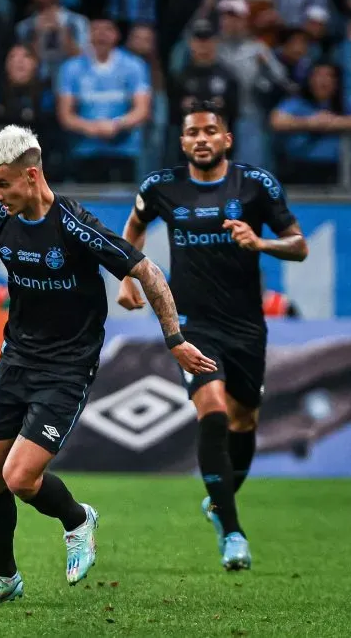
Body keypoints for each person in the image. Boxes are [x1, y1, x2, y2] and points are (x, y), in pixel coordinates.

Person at [0, 125, 215, 604]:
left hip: (69, 365)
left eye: (3, 184)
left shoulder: (74, 225)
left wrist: (174, 339)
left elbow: (146, 271)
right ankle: (7, 579)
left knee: (20, 477)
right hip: (18, 357)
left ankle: (77, 519)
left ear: (31, 176)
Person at [117, 103, 309, 571]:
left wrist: (261, 242)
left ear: (227, 139)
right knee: (215, 410)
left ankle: (219, 501)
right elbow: (135, 227)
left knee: (245, 420)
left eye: (210, 131)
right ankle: (233, 531)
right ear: (182, 142)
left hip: (246, 326)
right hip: (192, 323)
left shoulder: (256, 186)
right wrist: (126, 278)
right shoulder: (160, 187)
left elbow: (299, 245)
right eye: (192, 133)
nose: (201, 139)